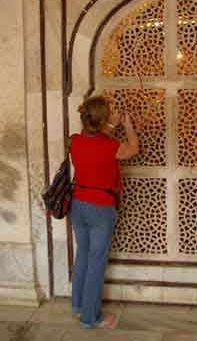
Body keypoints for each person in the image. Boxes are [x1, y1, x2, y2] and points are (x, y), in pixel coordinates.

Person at [69, 95, 138, 329]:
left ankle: (78, 306)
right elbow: (132, 149)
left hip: (77, 205)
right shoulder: (110, 146)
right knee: (96, 262)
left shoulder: (75, 141)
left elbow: (94, 138)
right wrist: (127, 126)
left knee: (83, 255)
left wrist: (109, 124)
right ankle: (91, 317)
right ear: (103, 120)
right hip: (100, 208)